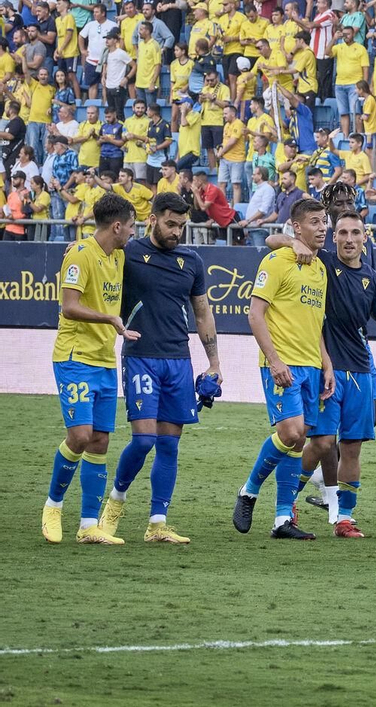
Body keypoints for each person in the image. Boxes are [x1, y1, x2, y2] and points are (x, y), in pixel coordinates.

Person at [96, 194, 221, 545]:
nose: (177, 232)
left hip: (178, 360)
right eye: (170, 224)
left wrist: (214, 362)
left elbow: (201, 312)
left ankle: (157, 523)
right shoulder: (129, 253)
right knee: (144, 439)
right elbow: (95, 253)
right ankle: (115, 503)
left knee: (169, 444)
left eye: (182, 226)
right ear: (152, 219)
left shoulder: (192, 261)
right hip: (141, 356)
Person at [232, 197, 332, 542]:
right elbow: (255, 313)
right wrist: (274, 360)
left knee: (299, 438)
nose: (322, 228)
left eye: (324, 222)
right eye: (315, 222)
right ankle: (248, 490)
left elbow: (314, 321)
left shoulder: (319, 268)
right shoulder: (275, 260)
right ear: (297, 227)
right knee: (290, 433)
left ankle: (281, 519)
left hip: (311, 365)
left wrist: (327, 362)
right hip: (282, 363)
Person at [41, 192, 137, 545]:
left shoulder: (119, 256)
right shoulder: (81, 255)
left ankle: (87, 526)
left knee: (99, 441)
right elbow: (69, 306)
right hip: (75, 356)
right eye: (130, 226)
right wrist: (110, 318)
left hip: (103, 360)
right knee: (80, 436)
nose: (132, 232)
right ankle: (53, 506)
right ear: (116, 225)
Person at [309, 210, 376, 537]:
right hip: (326, 370)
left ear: (365, 238)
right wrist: (295, 245)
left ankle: (344, 519)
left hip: (361, 373)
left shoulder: (374, 280)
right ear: (333, 237)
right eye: (343, 233)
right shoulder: (321, 262)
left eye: (355, 233)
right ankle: (286, 505)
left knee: (352, 448)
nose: (349, 239)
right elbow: (275, 240)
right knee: (322, 443)